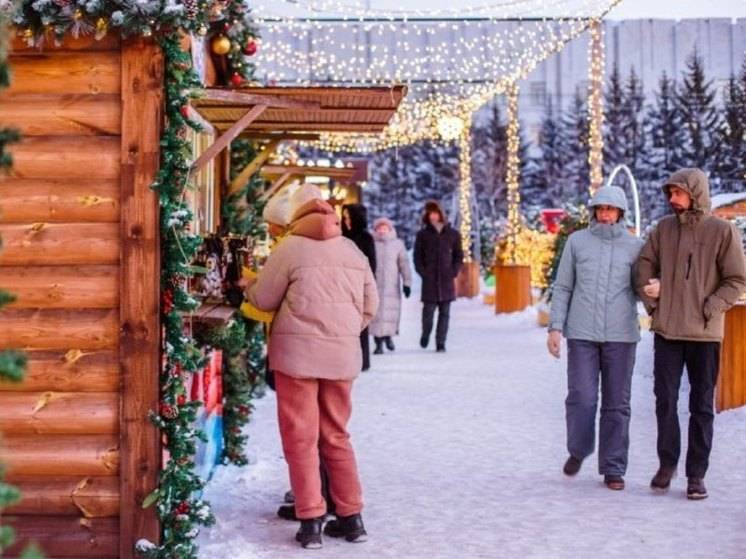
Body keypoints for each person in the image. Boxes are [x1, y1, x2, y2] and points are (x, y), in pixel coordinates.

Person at [245, 184, 379, 549]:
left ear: (295, 216)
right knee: (336, 435)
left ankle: (310, 521)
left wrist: (247, 284)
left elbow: (263, 298)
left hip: (296, 360)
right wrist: (342, 332)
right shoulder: (351, 250)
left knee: (301, 439)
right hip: (341, 359)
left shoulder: (289, 249)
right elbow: (371, 306)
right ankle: (351, 518)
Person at [635, 168, 746, 500]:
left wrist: (710, 307)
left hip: (704, 335)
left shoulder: (722, 231)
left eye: (678, 193)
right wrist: (653, 305)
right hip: (668, 332)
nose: (672, 199)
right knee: (665, 401)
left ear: (695, 193)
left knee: (701, 406)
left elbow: (737, 279)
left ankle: (696, 475)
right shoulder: (663, 230)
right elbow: (644, 265)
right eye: (670, 193)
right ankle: (667, 465)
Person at [547, 186, 643, 491]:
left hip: (621, 335)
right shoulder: (578, 243)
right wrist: (555, 328)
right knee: (582, 398)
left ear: (620, 213)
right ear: (593, 211)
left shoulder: (636, 246)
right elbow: (562, 288)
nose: (605, 215)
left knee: (617, 404)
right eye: (600, 209)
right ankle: (578, 449)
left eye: (610, 210)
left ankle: (613, 467)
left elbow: (644, 288)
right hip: (582, 334)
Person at [413, 200, 463, 352]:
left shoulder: (453, 234)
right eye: (430, 214)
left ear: (441, 214)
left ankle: (441, 342)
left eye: (435, 213)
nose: (433, 217)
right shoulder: (423, 235)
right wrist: (423, 272)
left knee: (445, 314)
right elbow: (417, 256)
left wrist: (454, 271)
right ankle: (426, 333)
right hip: (430, 281)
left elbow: (458, 255)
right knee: (428, 312)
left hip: (447, 280)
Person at [369, 217, 413, 354]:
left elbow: (404, 264)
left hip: (391, 286)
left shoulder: (397, 244)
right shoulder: (371, 243)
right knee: (375, 315)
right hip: (374, 286)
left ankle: (388, 337)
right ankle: (378, 344)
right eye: (379, 228)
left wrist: (407, 283)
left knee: (389, 314)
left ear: (390, 229)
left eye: (385, 228)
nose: (382, 231)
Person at [342, 203, 377, 370]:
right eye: (344, 217)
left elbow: (372, 264)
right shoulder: (340, 237)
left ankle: (363, 361)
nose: (346, 220)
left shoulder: (365, 238)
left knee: (361, 323)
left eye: (349, 216)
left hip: (359, 285)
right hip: (342, 285)